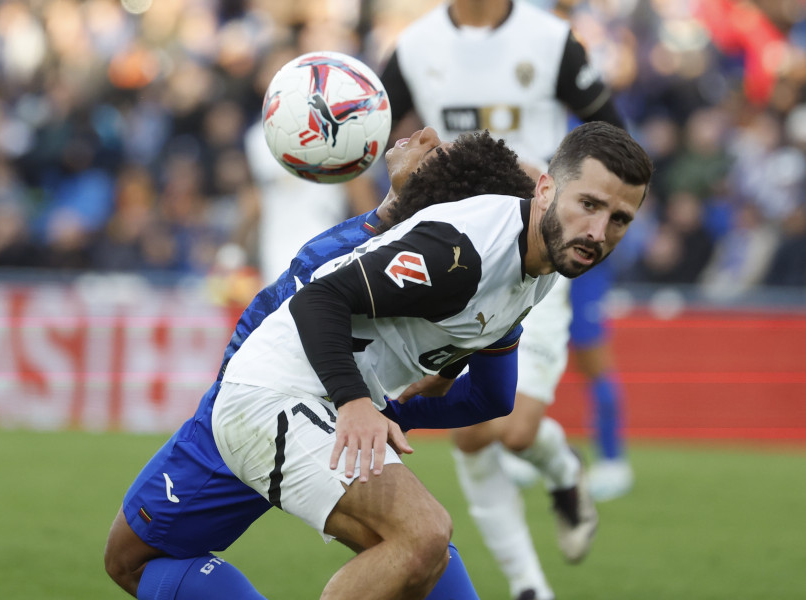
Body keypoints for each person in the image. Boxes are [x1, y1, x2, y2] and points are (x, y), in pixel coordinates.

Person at [104, 126, 548, 600]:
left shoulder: (384, 251)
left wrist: (371, 406)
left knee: (133, 560)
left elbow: (295, 311)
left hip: (266, 402)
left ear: (442, 190)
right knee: (413, 547)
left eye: (438, 150)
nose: (426, 133)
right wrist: (395, 411)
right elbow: (494, 394)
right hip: (317, 408)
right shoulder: (491, 280)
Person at [212, 121, 650, 599]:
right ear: (545, 190)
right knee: (422, 535)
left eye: (619, 219)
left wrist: (440, 374)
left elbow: (492, 395)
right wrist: (355, 403)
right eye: (588, 205)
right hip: (275, 394)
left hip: (317, 397)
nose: (598, 231)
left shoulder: (546, 257)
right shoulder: (464, 251)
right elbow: (319, 299)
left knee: (428, 556)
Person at [380, 1, 635, 596]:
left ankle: (563, 466)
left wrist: (566, 196)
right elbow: (372, 129)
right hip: (456, 259)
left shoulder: (550, 40)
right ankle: (529, 588)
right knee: (472, 432)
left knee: (515, 431)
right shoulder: (415, 47)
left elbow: (611, 134)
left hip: (537, 254)